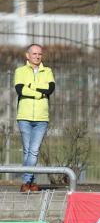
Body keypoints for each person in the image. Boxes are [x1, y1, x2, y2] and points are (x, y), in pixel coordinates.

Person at [14, 44, 55, 193]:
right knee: (28, 151)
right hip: (24, 117)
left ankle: (26, 182)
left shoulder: (47, 71)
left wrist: (31, 87)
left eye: (40, 54)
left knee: (33, 151)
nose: (37, 56)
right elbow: (20, 89)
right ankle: (31, 183)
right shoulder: (20, 71)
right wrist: (39, 93)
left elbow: (50, 89)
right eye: (34, 54)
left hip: (41, 118)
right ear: (27, 55)